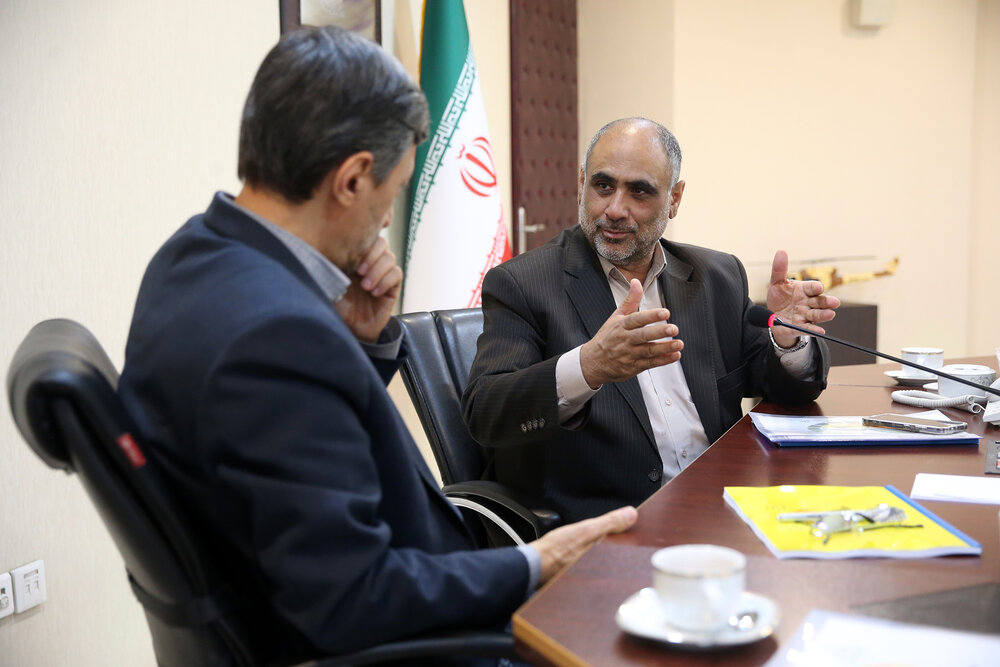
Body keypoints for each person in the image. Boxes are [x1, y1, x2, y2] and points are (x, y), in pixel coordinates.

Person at [118, 26, 637, 664]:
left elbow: (288, 453)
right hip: (415, 643)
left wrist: (359, 341)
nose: (387, 218)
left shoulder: (190, 255)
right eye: (393, 193)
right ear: (353, 179)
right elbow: (353, 601)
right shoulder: (278, 338)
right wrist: (537, 562)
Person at [462, 117, 840, 523]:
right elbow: (486, 412)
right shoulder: (523, 284)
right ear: (582, 183)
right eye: (603, 186)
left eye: (639, 191)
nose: (614, 209)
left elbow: (788, 390)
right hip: (611, 523)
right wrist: (588, 367)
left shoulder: (716, 276)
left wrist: (787, 340)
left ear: (674, 199)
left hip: (724, 508)